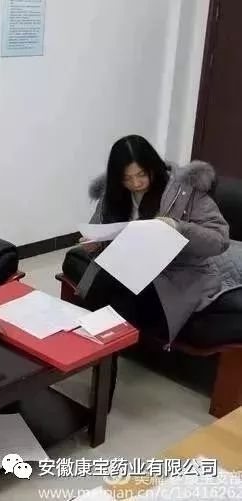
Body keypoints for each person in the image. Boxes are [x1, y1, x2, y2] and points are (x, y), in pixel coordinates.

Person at [74, 135, 229, 405]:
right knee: (111, 285)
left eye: (141, 175)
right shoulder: (113, 194)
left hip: (173, 274)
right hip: (129, 267)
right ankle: (101, 373)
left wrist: (179, 227)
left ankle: (100, 382)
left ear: (153, 167)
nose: (135, 183)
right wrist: (94, 244)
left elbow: (219, 240)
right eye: (127, 178)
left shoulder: (184, 190)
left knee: (114, 295)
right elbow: (101, 231)